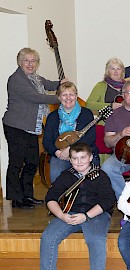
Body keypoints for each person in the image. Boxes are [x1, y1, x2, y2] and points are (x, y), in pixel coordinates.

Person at [3, 47, 65, 208]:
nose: (30, 64)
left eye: (33, 61)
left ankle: (27, 196)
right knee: (17, 163)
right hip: (16, 126)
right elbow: (36, 97)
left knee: (32, 161)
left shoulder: (35, 78)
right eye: (26, 60)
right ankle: (16, 198)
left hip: (31, 127)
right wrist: (63, 98)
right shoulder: (16, 79)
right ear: (20, 62)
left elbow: (49, 84)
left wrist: (62, 83)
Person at [40, 142, 115, 270]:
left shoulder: (101, 176)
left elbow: (108, 200)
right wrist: (62, 216)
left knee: (96, 240)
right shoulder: (66, 176)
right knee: (48, 237)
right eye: (75, 158)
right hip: (70, 214)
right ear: (70, 159)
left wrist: (86, 216)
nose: (79, 162)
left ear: (91, 158)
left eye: (83, 157)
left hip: (96, 215)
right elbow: (50, 198)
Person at [43, 82, 100, 183]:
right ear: (59, 97)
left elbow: (90, 138)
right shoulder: (52, 117)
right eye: (64, 95)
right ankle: (60, 198)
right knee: (56, 173)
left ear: (76, 96)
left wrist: (70, 149)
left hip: (83, 153)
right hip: (61, 155)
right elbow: (47, 141)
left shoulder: (86, 114)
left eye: (71, 94)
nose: (68, 98)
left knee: (90, 181)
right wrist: (58, 152)